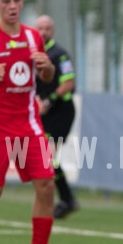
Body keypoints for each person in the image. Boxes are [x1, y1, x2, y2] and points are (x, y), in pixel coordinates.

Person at [0, 0, 60, 244]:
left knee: (46, 184)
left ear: (22, 2)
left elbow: (46, 77)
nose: (12, 6)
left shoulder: (34, 37)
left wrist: (48, 68)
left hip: (29, 126)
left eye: (16, 0)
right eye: (6, 1)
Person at [34, 15, 78, 219]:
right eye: (40, 28)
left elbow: (68, 84)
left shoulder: (59, 55)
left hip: (61, 111)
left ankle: (66, 199)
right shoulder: (33, 53)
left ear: (53, 31)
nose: (43, 32)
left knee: (47, 156)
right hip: (43, 112)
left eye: (47, 29)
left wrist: (48, 101)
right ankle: (66, 199)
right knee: (44, 158)